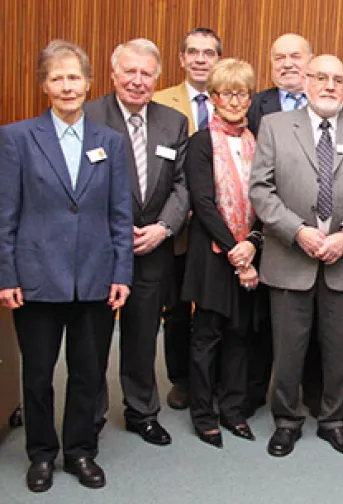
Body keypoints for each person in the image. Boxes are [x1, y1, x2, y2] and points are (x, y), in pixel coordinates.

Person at [0, 40, 132, 492]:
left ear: (89, 83)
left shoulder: (110, 143)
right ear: (44, 86)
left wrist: (121, 274)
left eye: (74, 77)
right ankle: (41, 454)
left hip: (96, 278)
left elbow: (120, 215)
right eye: (57, 78)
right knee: (37, 375)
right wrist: (6, 275)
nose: (67, 86)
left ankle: (79, 451)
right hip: (36, 279)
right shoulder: (16, 138)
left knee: (88, 373)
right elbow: (5, 214)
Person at [249, 54, 343, 458]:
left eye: (338, 80)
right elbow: (261, 191)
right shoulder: (274, 127)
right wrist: (298, 232)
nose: (330, 85)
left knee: (342, 351)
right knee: (289, 350)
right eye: (321, 78)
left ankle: (335, 421)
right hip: (290, 258)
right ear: (306, 82)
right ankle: (287, 421)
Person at [85, 38, 189, 447]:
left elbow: (183, 186)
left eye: (146, 73)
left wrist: (164, 228)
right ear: (113, 73)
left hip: (152, 246)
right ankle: (89, 415)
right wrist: (113, 228)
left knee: (143, 335)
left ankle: (142, 412)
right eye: (129, 71)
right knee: (92, 338)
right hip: (99, 248)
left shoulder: (172, 121)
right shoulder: (89, 115)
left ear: (157, 78)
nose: (137, 80)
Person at [181, 58, 263, 448]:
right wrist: (236, 252)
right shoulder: (200, 142)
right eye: (226, 93)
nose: (234, 100)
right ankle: (203, 413)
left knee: (240, 335)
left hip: (251, 250)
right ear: (212, 98)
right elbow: (203, 202)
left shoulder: (257, 140)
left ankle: (233, 410)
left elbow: (266, 197)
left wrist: (253, 245)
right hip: (214, 255)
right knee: (207, 337)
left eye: (241, 92)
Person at [152, 27, 223, 410]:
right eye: (192, 52)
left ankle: (216, 377)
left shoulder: (232, 100)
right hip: (177, 225)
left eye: (208, 53)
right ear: (181, 59)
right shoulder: (160, 102)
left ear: (218, 60)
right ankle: (181, 378)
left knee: (216, 306)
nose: (200, 59)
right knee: (176, 308)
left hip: (221, 227)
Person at [246, 33, 343, 137]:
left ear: (311, 61)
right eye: (279, 58)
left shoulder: (340, 105)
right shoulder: (253, 105)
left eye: (295, 56)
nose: (287, 65)